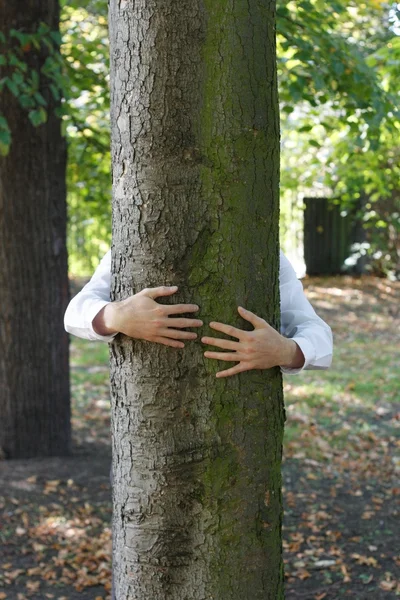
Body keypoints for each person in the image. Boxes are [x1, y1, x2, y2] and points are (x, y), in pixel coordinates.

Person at [64, 249, 333, 374]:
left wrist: (286, 351)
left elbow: (319, 334)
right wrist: (115, 315)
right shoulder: (128, 248)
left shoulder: (268, 255)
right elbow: (73, 313)